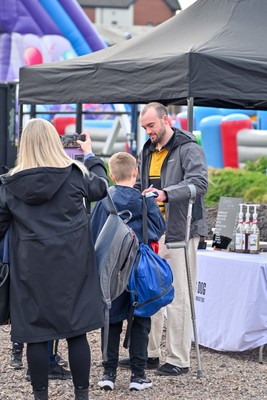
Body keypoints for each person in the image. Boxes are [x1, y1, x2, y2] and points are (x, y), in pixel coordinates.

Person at [0, 118, 108, 400]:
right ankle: (81, 395)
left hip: (30, 271)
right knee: (76, 332)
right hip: (74, 268)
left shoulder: (9, 186)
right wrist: (92, 156)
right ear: (54, 142)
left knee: (36, 335)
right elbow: (103, 188)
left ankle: (40, 396)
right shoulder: (75, 174)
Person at [134, 102, 208, 376]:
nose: (148, 132)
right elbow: (141, 186)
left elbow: (200, 184)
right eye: (144, 127)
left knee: (179, 295)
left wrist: (166, 193)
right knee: (150, 290)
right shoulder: (146, 149)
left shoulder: (188, 147)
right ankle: (149, 354)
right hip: (152, 232)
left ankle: (179, 359)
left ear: (166, 120)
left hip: (180, 231)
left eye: (151, 126)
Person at [90, 152, 166, 391]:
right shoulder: (145, 201)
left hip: (110, 271)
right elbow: (158, 229)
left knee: (110, 319)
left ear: (111, 175)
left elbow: (93, 234)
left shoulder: (104, 201)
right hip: (138, 271)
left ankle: (108, 373)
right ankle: (138, 375)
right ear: (135, 173)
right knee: (141, 320)